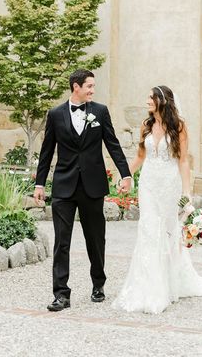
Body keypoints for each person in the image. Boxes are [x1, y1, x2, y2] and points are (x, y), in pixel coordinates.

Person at [112, 85, 202, 314]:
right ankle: (148, 285)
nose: (147, 101)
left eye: (151, 97)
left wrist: (186, 191)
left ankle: (170, 282)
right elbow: (140, 156)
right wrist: (125, 176)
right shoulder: (146, 125)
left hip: (170, 184)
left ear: (162, 100)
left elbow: (183, 161)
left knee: (170, 230)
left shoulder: (178, 126)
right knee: (148, 229)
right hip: (149, 184)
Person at [34, 68, 132, 312]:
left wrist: (126, 173)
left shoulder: (100, 111)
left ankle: (98, 284)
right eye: (89, 86)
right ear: (76, 86)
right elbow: (47, 151)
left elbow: (112, 143)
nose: (92, 90)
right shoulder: (55, 114)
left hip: (92, 186)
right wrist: (39, 183)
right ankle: (61, 294)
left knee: (95, 239)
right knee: (61, 242)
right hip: (64, 187)